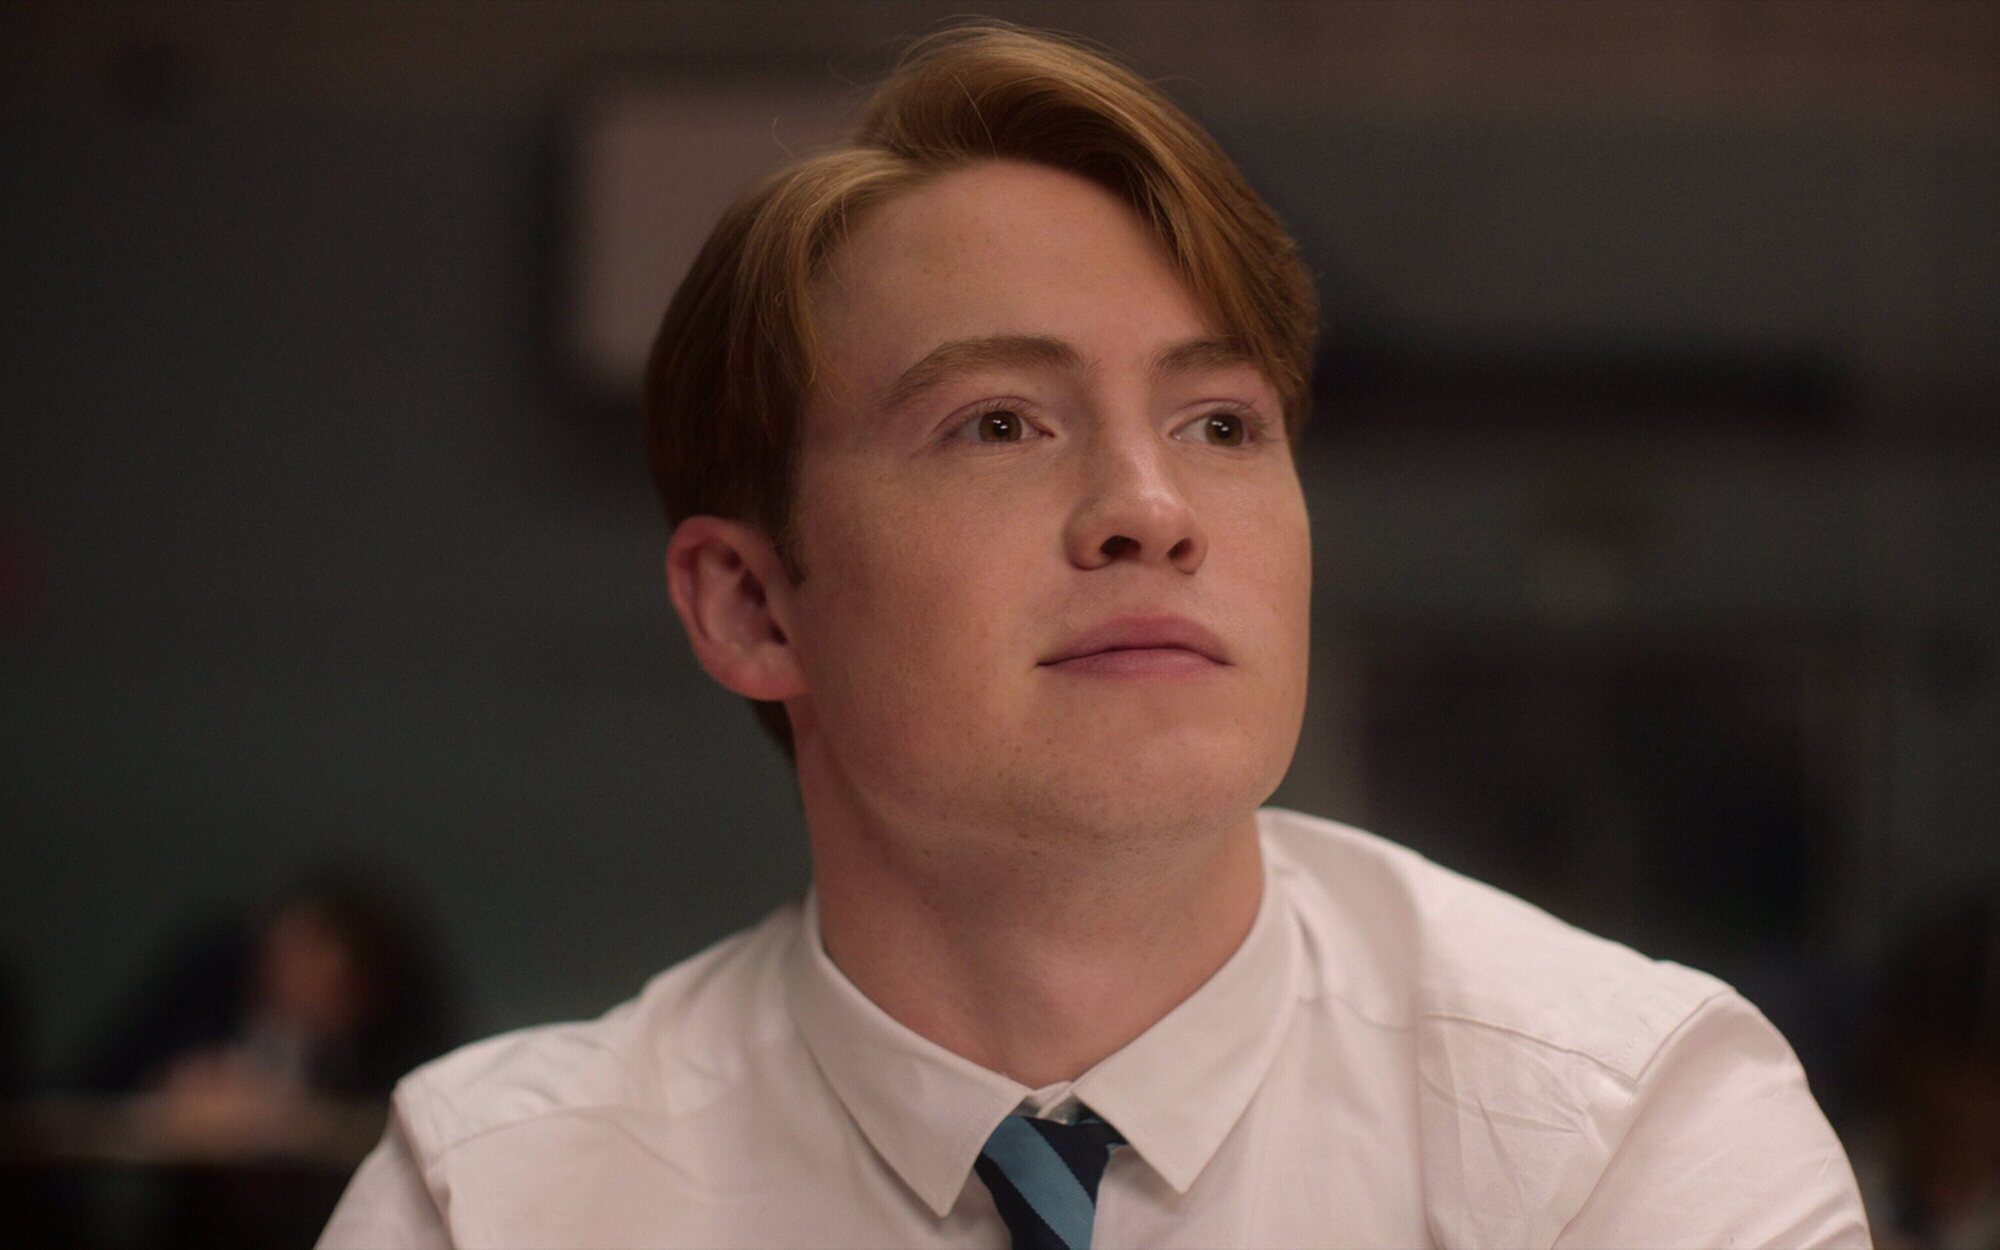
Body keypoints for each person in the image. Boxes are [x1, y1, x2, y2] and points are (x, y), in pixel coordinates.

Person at [319, 22, 1870, 1249]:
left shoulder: (1625, 1134)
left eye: (1220, 423)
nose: (1151, 507)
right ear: (751, 604)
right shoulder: (496, 1201)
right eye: (999, 422)